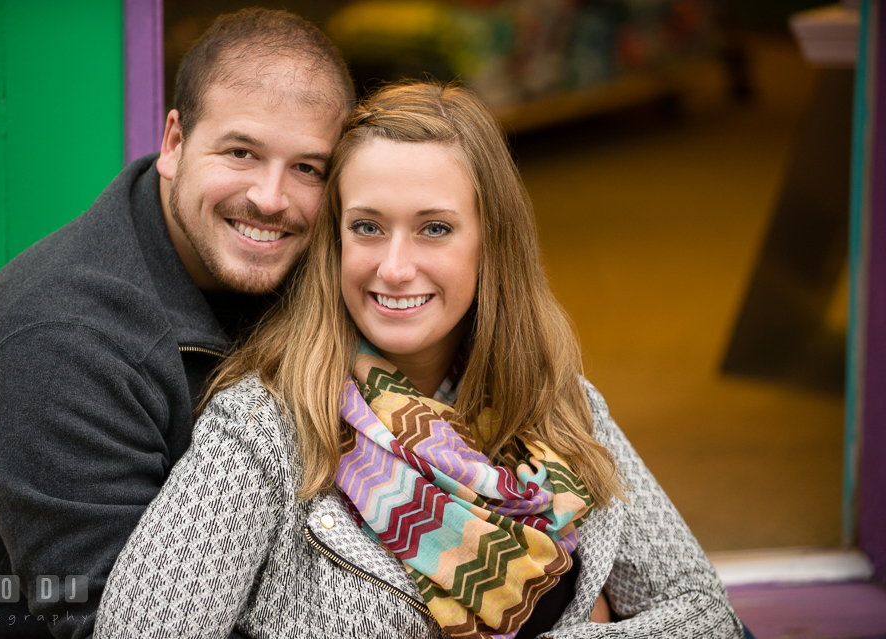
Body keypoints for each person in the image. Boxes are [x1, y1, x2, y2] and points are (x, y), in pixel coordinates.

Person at [93, 82, 744, 639]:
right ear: (335, 240)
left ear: (491, 242)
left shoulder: (559, 405)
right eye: (368, 226)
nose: (395, 267)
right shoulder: (268, 424)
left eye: (434, 227)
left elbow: (704, 614)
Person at [0, 9, 353, 639]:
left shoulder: (310, 274)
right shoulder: (55, 343)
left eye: (307, 168)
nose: (271, 198)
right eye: (241, 152)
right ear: (175, 144)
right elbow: (124, 625)